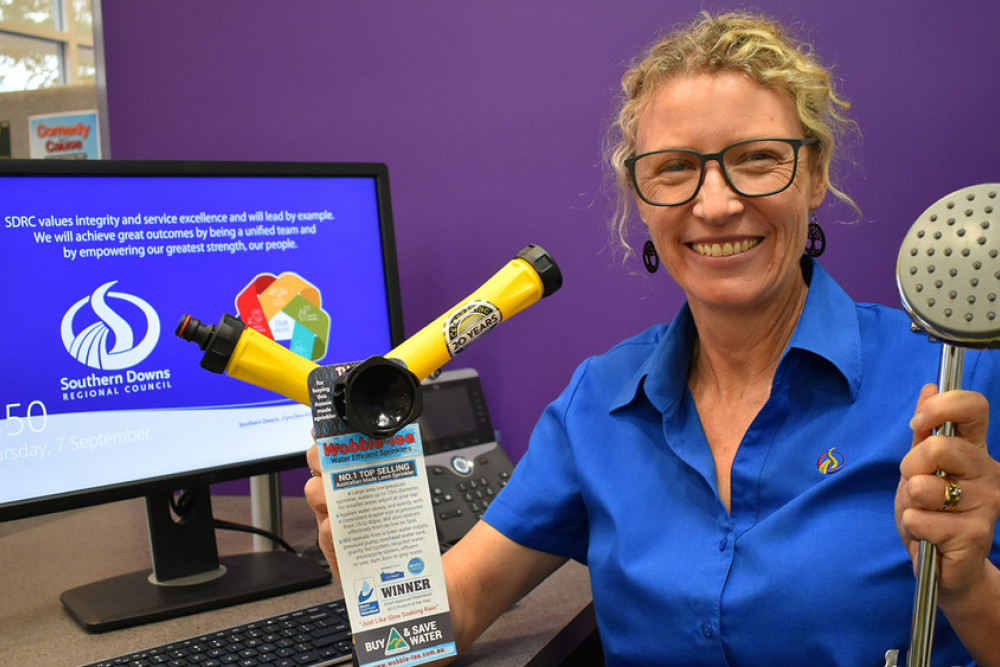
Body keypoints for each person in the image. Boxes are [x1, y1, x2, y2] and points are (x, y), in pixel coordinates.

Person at [306, 11, 1000, 666]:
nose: (716, 203)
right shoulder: (598, 404)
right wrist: (370, 558)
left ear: (814, 176)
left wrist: (968, 583)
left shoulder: (953, 385)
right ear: (640, 199)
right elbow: (436, 624)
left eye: (757, 158)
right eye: (673, 168)